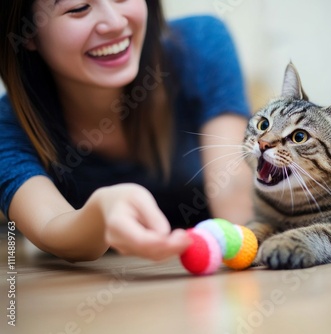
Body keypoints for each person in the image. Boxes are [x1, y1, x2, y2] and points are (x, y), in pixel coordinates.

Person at [0, 0, 253, 262]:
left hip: (213, 280)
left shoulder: (200, 44)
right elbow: (50, 227)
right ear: (27, 32)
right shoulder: (8, 126)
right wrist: (100, 212)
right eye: (78, 8)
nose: (116, 23)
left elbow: (235, 197)